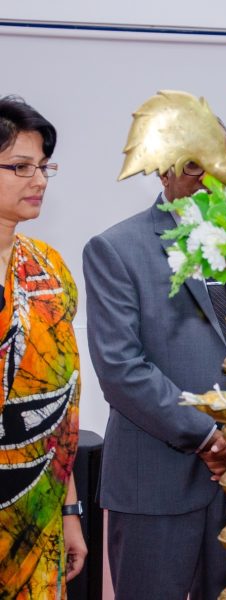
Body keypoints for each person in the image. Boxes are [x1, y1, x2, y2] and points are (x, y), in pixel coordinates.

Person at [83, 123, 226, 599]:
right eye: (196, 164)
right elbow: (121, 367)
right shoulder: (117, 249)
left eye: (220, 160)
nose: (211, 176)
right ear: (164, 169)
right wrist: (208, 437)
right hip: (156, 482)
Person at [0, 96, 86, 598]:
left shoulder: (49, 269)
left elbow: (58, 410)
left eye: (43, 166)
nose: (39, 180)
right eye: (20, 167)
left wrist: (69, 510)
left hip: (38, 512)